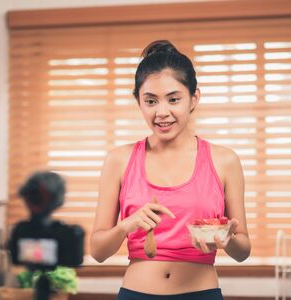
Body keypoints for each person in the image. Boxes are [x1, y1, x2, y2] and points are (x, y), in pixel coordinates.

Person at [90, 40, 251, 300]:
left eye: (173, 99)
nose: (162, 112)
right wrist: (126, 226)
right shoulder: (118, 160)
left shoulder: (225, 161)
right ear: (138, 102)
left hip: (202, 294)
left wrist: (226, 238)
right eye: (151, 101)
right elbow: (97, 251)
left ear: (194, 98)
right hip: (136, 294)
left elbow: (243, 251)